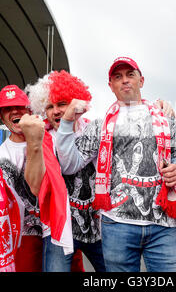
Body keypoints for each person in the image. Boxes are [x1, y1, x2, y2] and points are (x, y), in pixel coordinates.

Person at [55, 57, 176, 272]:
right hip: (117, 224)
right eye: (118, 77)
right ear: (111, 86)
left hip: (163, 224)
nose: (125, 80)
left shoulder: (165, 118)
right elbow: (70, 165)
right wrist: (67, 123)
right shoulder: (99, 125)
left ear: (141, 81)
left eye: (130, 75)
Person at [0, 85, 72, 272]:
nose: (14, 111)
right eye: (7, 109)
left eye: (19, 106)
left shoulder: (51, 138)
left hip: (55, 229)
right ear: (2, 117)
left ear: (29, 111)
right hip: (24, 236)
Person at [25, 70, 106, 272]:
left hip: (99, 228)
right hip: (60, 231)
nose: (55, 111)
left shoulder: (94, 131)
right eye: (49, 107)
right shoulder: (42, 139)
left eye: (61, 104)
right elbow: (35, 186)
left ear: (73, 103)